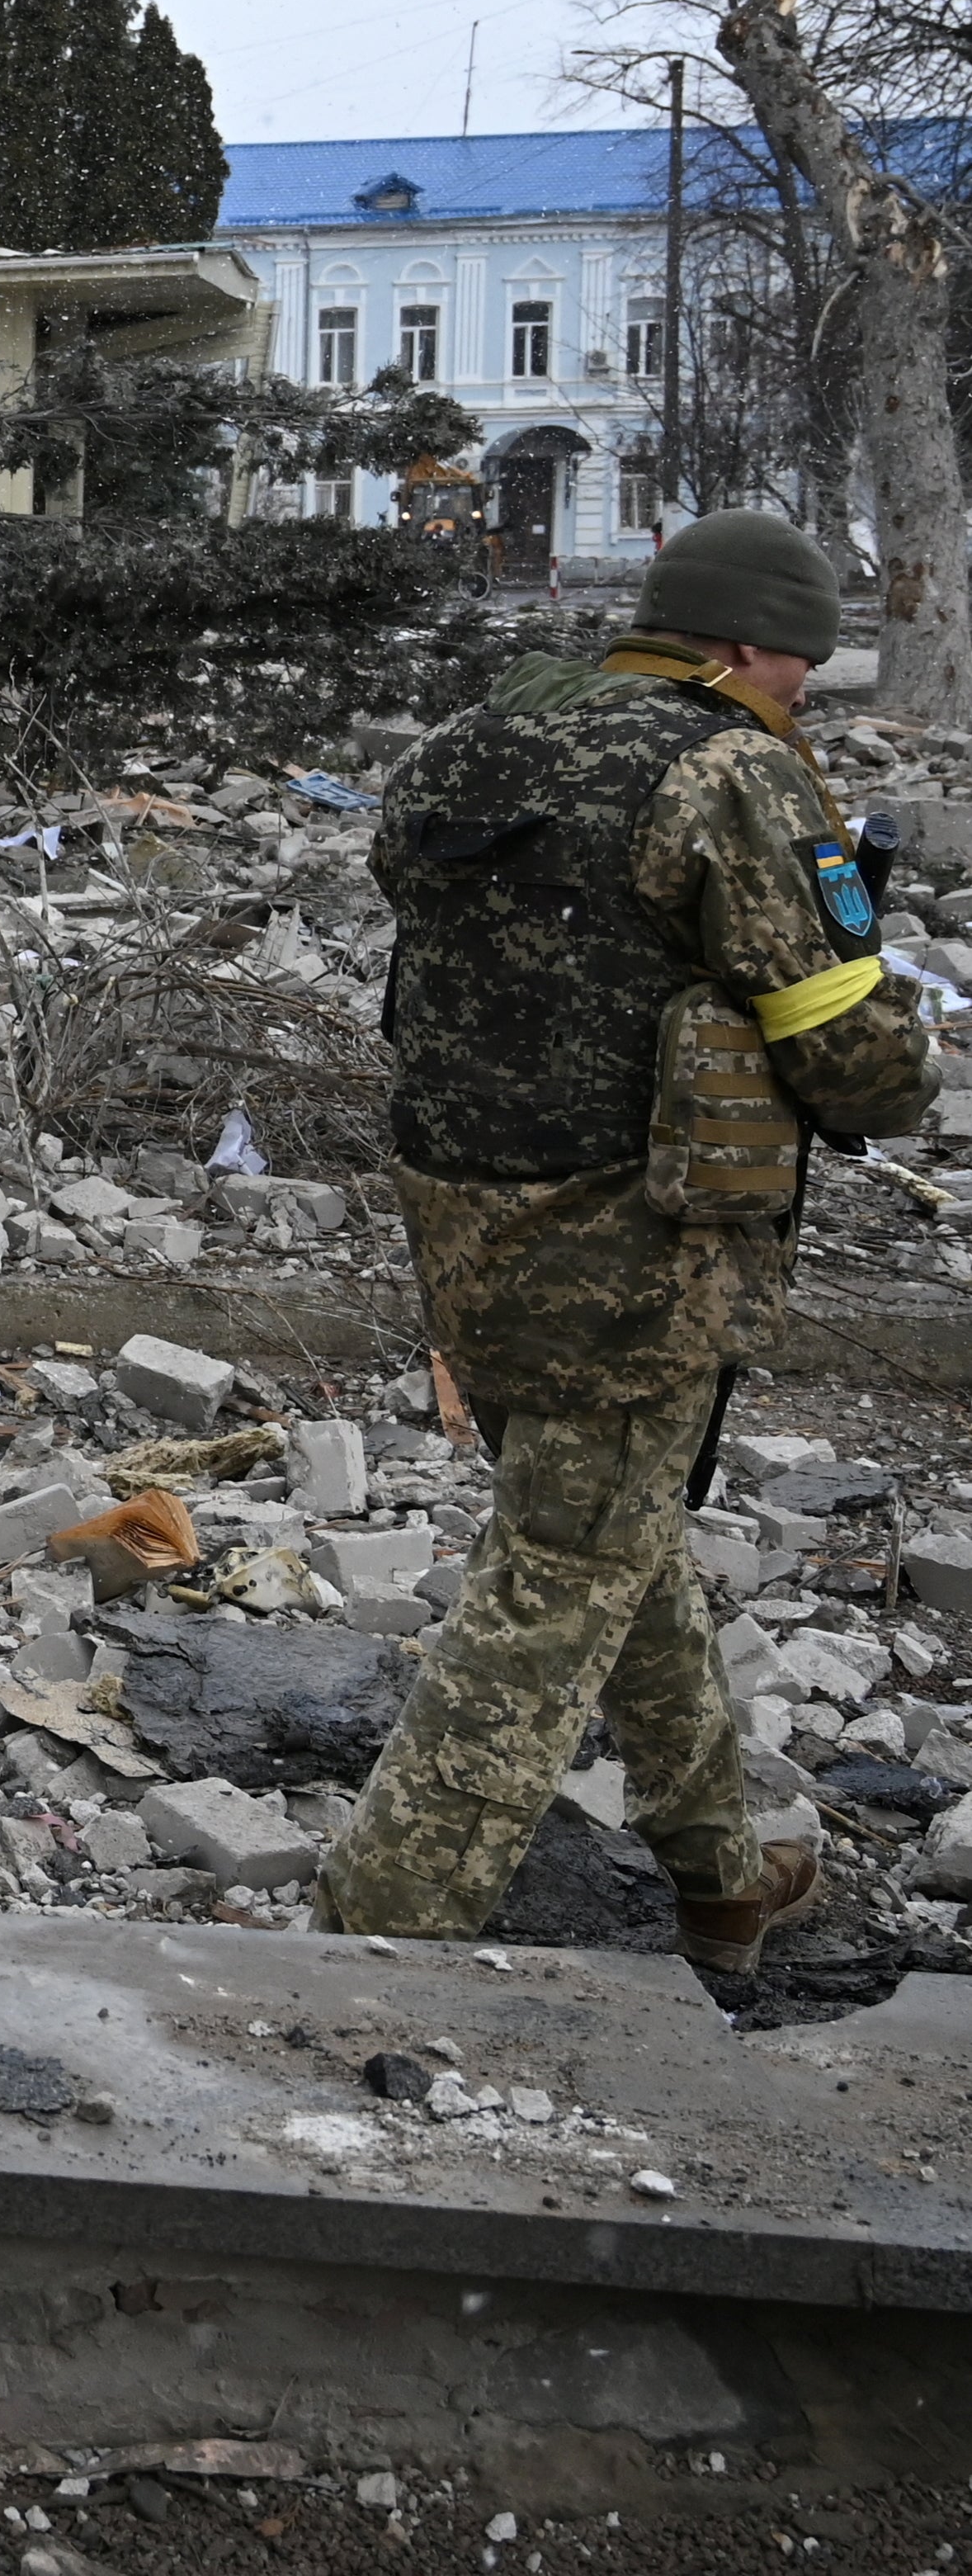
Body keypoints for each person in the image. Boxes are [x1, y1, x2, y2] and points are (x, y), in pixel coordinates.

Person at [322, 509, 932, 1975]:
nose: (797, 698)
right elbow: (857, 1065)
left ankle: (722, 1873)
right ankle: (372, 1943)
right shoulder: (730, 768)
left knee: (611, 1532)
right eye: (796, 672)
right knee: (558, 1574)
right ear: (738, 647)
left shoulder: (488, 734)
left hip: (461, 1211)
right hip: (637, 1246)